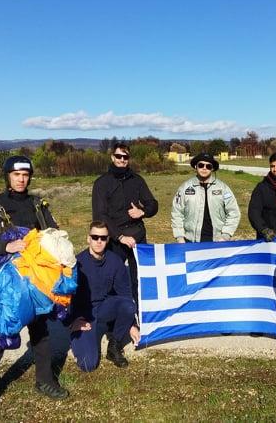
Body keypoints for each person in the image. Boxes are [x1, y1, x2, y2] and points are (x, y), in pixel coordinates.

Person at [0, 156, 67, 423]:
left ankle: (44, 380)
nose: (21, 178)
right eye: (16, 174)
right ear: (7, 176)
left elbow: (53, 234)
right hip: (5, 283)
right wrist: (6, 247)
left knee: (41, 330)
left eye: (26, 174)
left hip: (35, 279)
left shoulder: (38, 206)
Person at [68, 221, 140, 371]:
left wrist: (131, 323)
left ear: (108, 239)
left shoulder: (115, 261)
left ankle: (114, 345)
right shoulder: (77, 263)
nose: (99, 241)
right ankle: (79, 338)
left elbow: (125, 293)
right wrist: (72, 321)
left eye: (103, 238)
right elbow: (65, 298)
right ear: (88, 238)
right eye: (95, 237)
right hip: (83, 315)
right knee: (88, 364)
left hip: (103, 308)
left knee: (128, 305)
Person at [91, 142, 158, 303]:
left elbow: (153, 204)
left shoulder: (137, 180)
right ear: (112, 157)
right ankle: (114, 318)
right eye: (118, 156)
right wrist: (120, 237)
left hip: (137, 236)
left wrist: (143, 212)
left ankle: (141, 312)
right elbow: (100, 215)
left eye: (125, 157)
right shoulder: (102, 183)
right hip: (115, 239)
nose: (122, 160)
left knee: (140, 278)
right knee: (112, 279)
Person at [171, 152, 241, 243]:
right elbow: (177, 213)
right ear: (196, 166)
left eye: (208, 166)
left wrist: (226, 235)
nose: (204, 168)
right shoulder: (185, 188)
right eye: (201, 165)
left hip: (217, 241)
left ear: (212, 169)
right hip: (190, 241)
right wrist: (179, 236)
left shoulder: (223, 188)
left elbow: (234, 212)